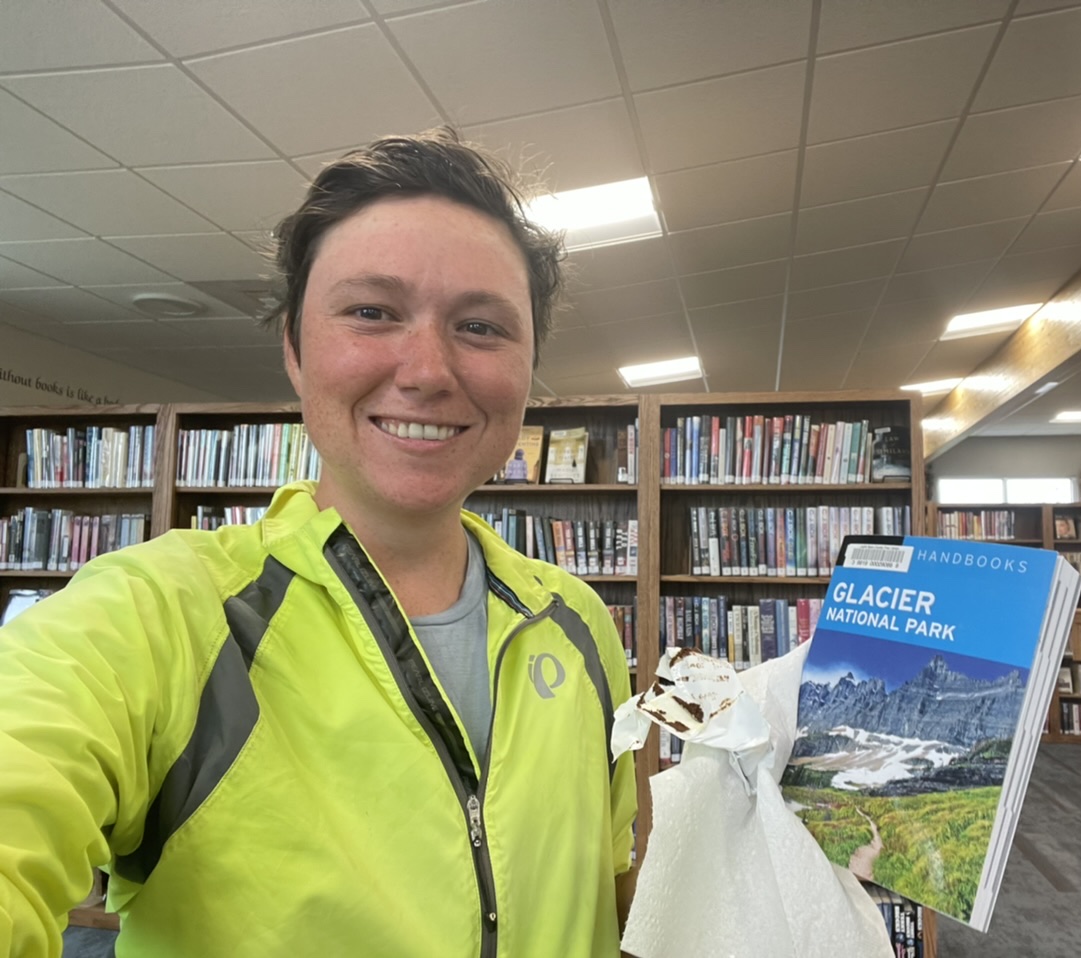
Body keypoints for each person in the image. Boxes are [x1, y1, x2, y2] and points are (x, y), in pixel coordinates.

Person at [0, 130, 637, 957]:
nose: (428, 370)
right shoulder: (153, 615)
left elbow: (620, 891)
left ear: (528, 371)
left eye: (481, 327)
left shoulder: (576, 620)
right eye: (372, 312)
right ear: (296, 350)